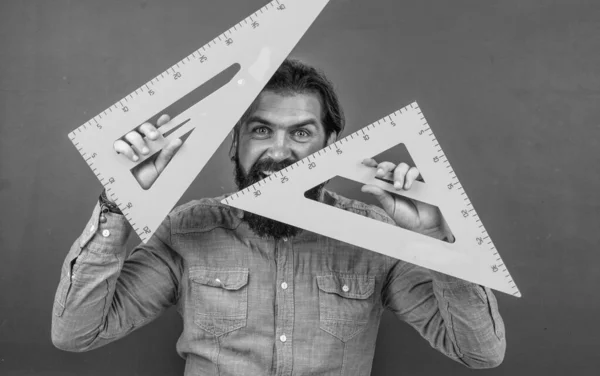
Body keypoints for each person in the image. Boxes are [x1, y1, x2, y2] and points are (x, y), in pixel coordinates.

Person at [52, 59, 506, 375]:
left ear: (330, 146)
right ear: (235, 143)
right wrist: (120, 204)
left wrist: (438, 243)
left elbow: (479, 353)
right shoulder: (186, 231)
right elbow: (76, 333)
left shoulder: (376, 237)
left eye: (302, 133)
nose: (279, 151)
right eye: (261, 129)